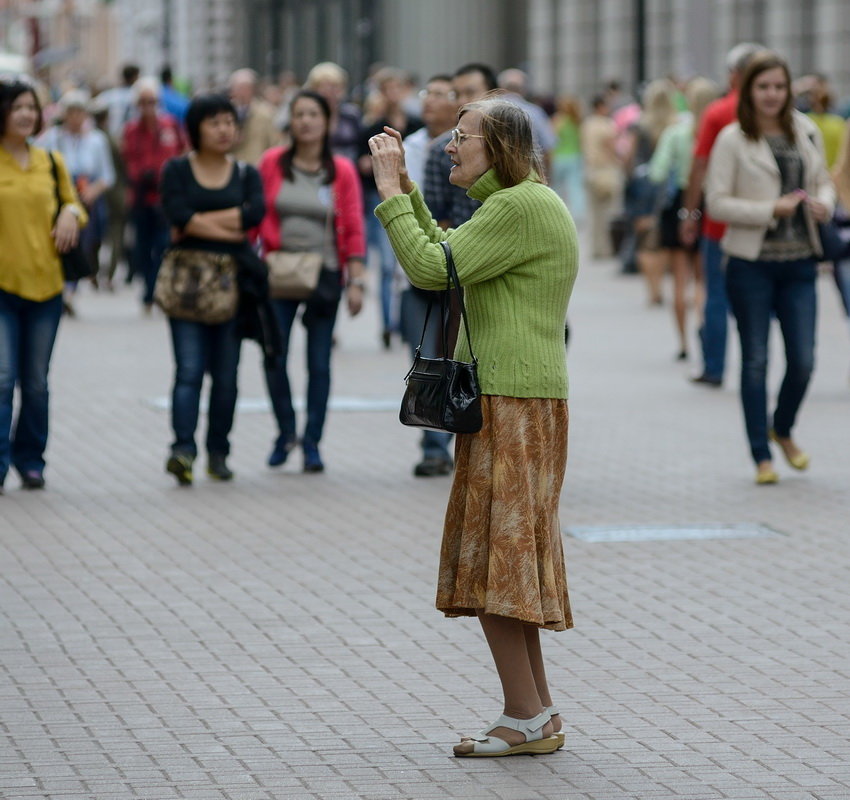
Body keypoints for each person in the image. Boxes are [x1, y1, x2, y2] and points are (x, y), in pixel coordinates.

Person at [369, 98, 578, 756]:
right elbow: (449, 253)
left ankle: (521, 715)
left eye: (461, 138)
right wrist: (406, 191)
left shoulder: (518, 207)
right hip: (519, 397)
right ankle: (535, 712)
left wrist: (386, 197)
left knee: (497, 560)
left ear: (501, 147)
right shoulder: (519, 204)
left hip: (510, 400)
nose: (448, 148)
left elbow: (430, 269)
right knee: (509, 558)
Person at [705, 51, 835, 485]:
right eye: (764, 87)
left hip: (800, 262)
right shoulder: (732, 138)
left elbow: (823, 182)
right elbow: (717, 203)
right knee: (756, 360)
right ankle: (761, 454)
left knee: (803, 361)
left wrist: (825, 204)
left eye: (779, 86)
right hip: (750, 265)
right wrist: (769, 209)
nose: (772, 95)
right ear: (749, 90)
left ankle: (783, 427)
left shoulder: (806, 131)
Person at [159, 93, 265, 486]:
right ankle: (182, 450)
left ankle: (218, 453)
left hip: (232, 287)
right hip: (185, 284)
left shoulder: (244, 174)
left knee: (226, 376)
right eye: (214, 122)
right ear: (196, 128)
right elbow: (176, 215)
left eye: (229, 121)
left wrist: (197, 221)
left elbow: (252, 216)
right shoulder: (176, 170)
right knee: (188, 371)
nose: (224, 129)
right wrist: (226, 223)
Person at [258, 90, 366, 473]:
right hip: (279, 270)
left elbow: (353, 225)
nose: (305, 121)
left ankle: (312, 442)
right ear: (291, 121)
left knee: (318, 362)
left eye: (313, 114)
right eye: (299, 114)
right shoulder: (271, 163)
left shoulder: (341, 170)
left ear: (327, 122)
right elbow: (256, 214)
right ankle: (286, 431)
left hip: (324, 272)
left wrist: (356, 281)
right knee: (274, 355)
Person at [0, 79, 87, 492]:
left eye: (31, 108)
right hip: (2, 286)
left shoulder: (50, 162)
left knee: (35, 381)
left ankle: (31, 460)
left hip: (46, 287)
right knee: (1, 377)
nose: (26, 114)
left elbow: (74, 203)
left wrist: (71, 212)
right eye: (17, 107)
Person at [680, 42, 762, 386]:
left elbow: (700, 165)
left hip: (719, 222)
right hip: (761, 223)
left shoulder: (718, 112)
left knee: (716, 293)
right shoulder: (769, 112)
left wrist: (689, 211)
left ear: (733, 74)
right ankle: (756, 364)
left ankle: (715, 367)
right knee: (757, 297)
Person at [400, 75, 459, 477]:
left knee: (458, 357)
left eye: (442, 94)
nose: (431, 100)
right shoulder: (416, 147)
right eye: (428, 93)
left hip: (460, 265)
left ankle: (449, 435)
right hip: (427, 262)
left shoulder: (457, 150)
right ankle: (434, 443)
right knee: (427, 354)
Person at [647, 76, 720, 357]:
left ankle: (683, 343)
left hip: (679, 203)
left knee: (680, 279)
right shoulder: (718, 131)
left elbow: (657, 171)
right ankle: (705, 336)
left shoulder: (677, 131)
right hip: (708, 202)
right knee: (704, 279)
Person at [357, 67, 422, 349]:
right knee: (385, 263)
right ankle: (387, 324)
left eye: (399, 88)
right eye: (389, 89)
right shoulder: (373, 127)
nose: (394, 94)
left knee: (408, 260)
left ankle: (403, 321)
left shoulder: (416, 124)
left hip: (409, 195)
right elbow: (361, 163)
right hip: (379, 197)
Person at [38, 89, 115, 307]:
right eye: (71, 112)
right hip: (57, 196)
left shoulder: (97, 140)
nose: (75, 117)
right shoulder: (51, 139)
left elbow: (107, 175)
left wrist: (92, 191)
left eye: (80, 112)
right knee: (61, 239)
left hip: (86, 196)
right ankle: (64, 286)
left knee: (85, 241)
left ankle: (72, 284)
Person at [122, 77, 187, 313]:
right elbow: (127, 158)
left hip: (164, 197)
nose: (148, 106)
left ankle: (155, 290)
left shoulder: (169, 125)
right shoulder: (131, 129)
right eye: (144, 102)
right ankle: (148, 290)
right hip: (141, 197)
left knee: (163, 245)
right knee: (142, 247)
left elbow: (181, 153)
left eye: (152, 101)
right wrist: (141, 173)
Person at [622, 79, 679, 301]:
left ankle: (652, 289)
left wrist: (628, 177)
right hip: (668, 185)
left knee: (644, 238)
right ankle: (661, 285)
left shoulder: (640, 125)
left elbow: (629, 157)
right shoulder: (676, 124)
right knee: (661, 236)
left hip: (643, 185)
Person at [581, 94, 621, 258]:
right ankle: (607, 248)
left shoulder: (587, 124)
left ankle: (596, 248)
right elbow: (611, 147)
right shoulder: (607, 125)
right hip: (606, 169)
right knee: (608, 212)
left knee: (594, 212)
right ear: (600, 107)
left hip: (590, 170)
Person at [303, 62, 362, 162]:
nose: (329, 92)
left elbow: (362, 143)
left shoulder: (351, 114)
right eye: (323, 87)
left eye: (334, 86)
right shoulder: (306, 115)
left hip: (350, 169)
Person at [229, 68, 280, 166]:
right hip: (232, 166)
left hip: (257, 165)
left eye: (246, 88)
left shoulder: (266, 112)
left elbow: (275, 143)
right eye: (239, 88)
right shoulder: (226, 113)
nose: (243, 92)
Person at [551, 95, 585, 225]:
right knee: (575, 186)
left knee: (557, 186)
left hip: (559, 157)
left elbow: (552, 139)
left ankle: (556, 211)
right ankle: (577, 214)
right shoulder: (577, 121)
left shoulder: (557, 120)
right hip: (575, 156)